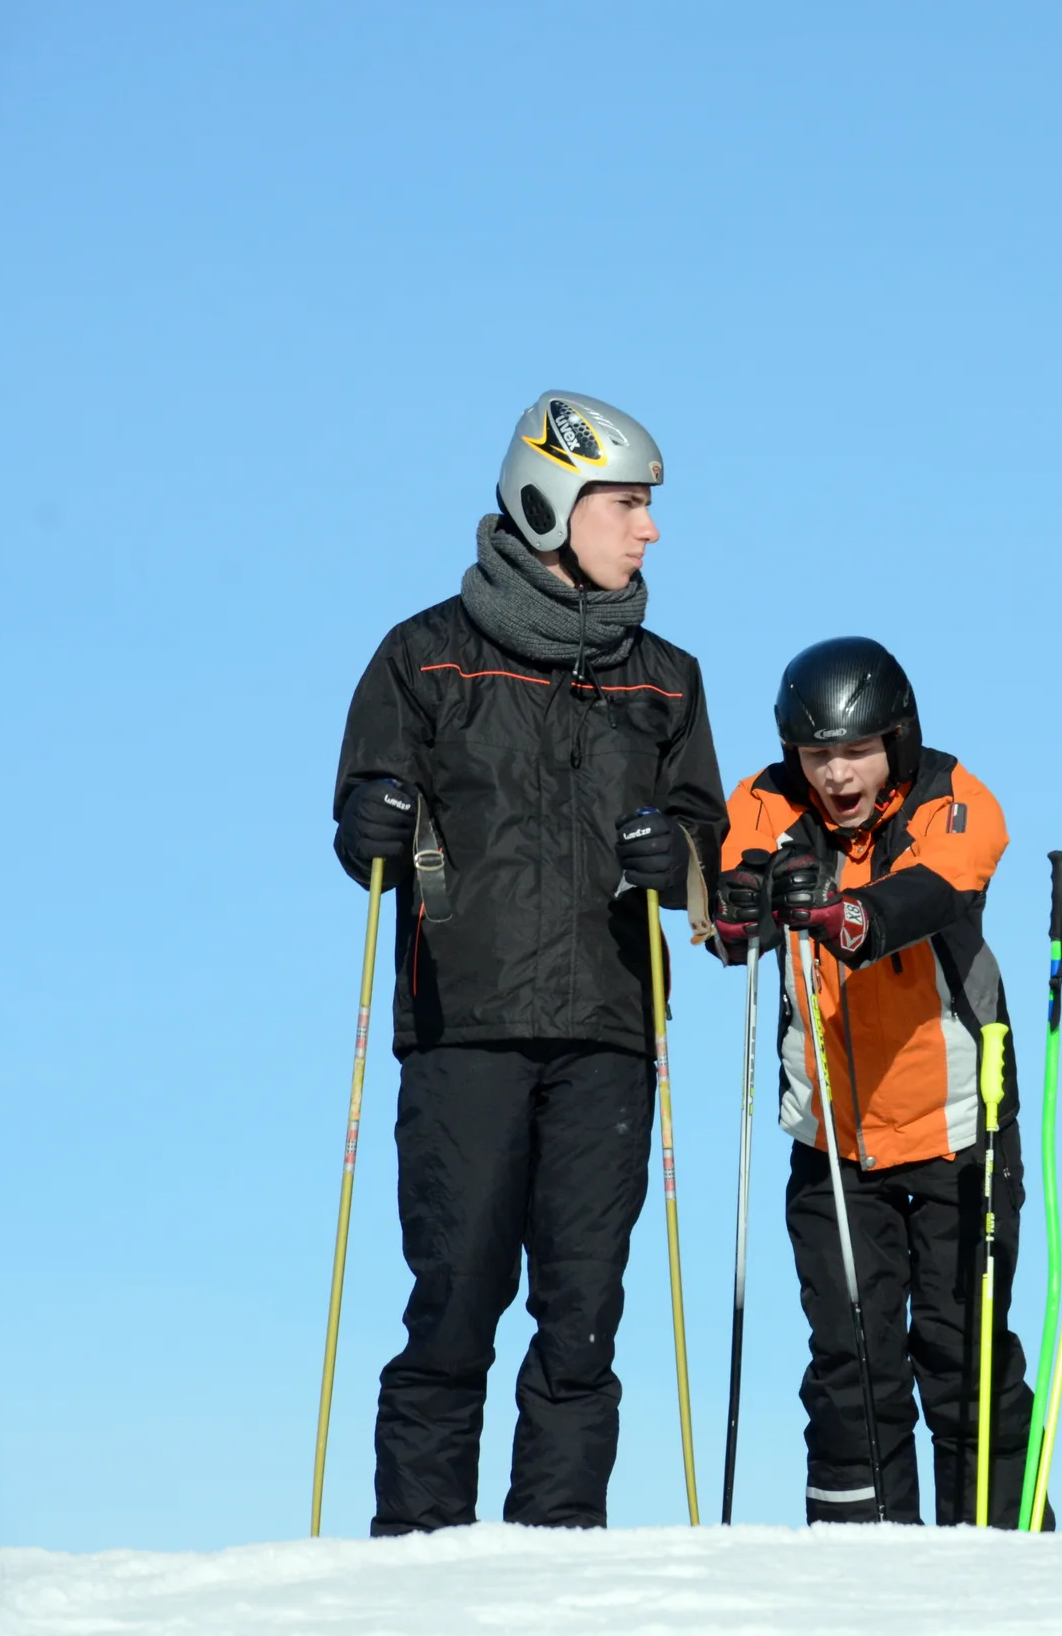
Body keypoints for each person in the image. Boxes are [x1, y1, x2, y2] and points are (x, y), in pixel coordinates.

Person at [332, 391, 726, 1534]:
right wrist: (373, 820)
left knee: (585, 1313)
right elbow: (364, 806)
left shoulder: (667, 676)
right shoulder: (424, 656)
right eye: (628, 504)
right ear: (549, 504)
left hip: (607, 1033)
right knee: (454, 1301)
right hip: (467, 1025)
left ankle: (555, 1559)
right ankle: (418, 1558)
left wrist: (679, 856)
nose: (648, 530)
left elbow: (711, 862)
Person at [707, 636, 1042, 1525]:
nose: (838, 775)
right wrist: (735, 906)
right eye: (818, 754)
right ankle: (856, 1567)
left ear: (897, 738)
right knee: (851, 1362)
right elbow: (731, 892)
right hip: (833, 1136)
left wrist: (848, 914)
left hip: (959, 1122)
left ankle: (1005, 1556)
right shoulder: (765, 799)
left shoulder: (952, 794)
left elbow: (937, 888)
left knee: (961, 1350)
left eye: (856, 750)